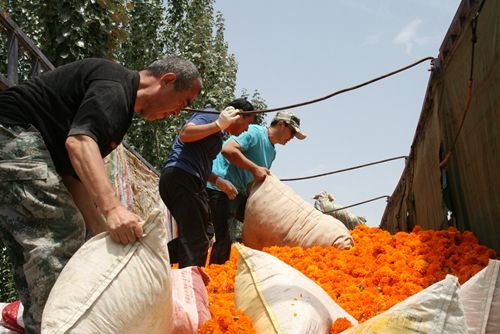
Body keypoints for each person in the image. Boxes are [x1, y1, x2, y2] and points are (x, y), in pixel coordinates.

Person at [0, 56, 202, 333]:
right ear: (167, 80)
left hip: (15, 144)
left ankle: (42, 324)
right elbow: (80, 144)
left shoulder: (118, 101)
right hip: (11, 134)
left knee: (40, 241)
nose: (179, 112)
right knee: (59, 235)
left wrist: (98, 230)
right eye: (185, 101)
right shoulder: (116, 86)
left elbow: (73, 174)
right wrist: (113, 209)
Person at [159, 98, 255, 268]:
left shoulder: (219, 134)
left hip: (193, 180)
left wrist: (218, 181)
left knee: (205, 232)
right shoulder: (211, 115)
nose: (247, 129)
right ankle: (189, 283)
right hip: (180, 176)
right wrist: (218, 123)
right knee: (196, 238)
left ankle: (153, 258)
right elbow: (186, 133)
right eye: (247, 123)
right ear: (237, 114)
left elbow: (203, 163)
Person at [207, 110, 306, 264]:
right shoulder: (255, 132)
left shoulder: (272, 152)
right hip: (221, 187)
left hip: (238, 192)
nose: (291, 138)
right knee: (224, 238)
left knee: (263, 222)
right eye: (292, 133)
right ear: (281, 124)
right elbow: (228, 149)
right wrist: (254, 168)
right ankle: (214, 279)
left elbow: (253, 180)